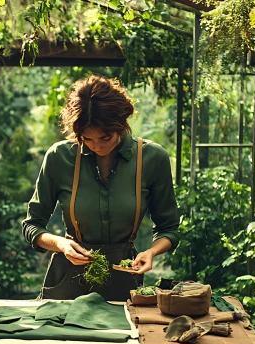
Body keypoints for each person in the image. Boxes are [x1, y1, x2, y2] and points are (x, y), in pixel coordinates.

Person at [23, 75, 180, 302]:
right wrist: (62, 244)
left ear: (121, 124)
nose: (97, 145)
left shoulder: (152, 158)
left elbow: (169, 229)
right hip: (68, 281)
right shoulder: (60, 157)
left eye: (105, 137)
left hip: (123, 281)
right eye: (87, 138)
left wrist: (151, 252)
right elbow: (31, 226)